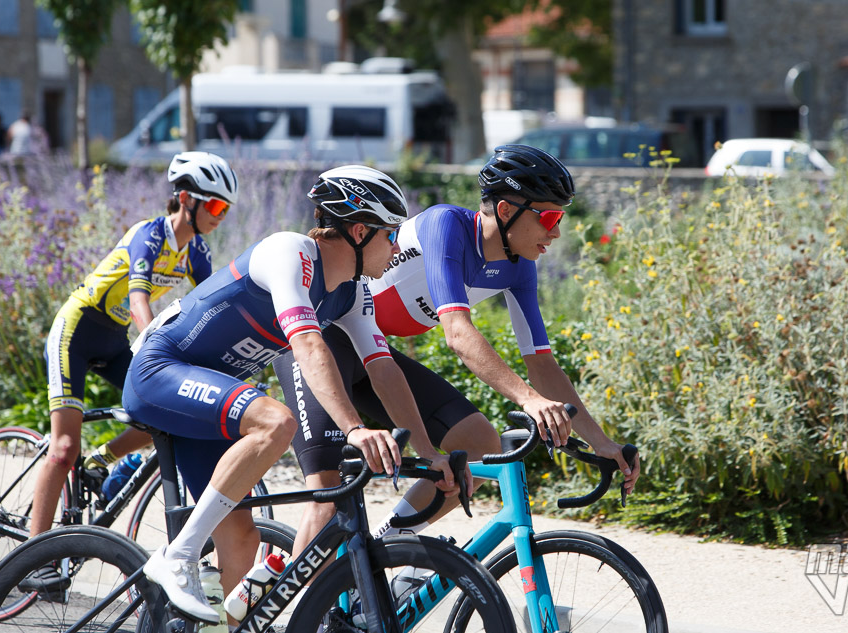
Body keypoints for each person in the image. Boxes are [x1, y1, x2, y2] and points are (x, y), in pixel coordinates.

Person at [122, 166, 458, 624]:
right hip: (161, 370)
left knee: (242, 540)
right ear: (359, 231)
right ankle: (177, 555)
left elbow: (383, 369)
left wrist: (427, 451)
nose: (397, 246)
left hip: (211, 399)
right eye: (390, 234)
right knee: (276, 421)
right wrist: (355, 429)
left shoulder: (352, 290)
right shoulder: (289, 252)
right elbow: (306, 345)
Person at [273, 144, 640, 557]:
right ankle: (290, 612)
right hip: (319, 343)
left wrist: (600, 441)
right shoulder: (445, 225)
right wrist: (530, 401)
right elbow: (458, 334)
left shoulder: (519, 268)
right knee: (325, 496)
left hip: (372, 352)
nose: (556, 232)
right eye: (550, 217)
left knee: (480, 443)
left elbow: (542, 362)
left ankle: (388, 544)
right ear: (505, 211)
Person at [20, 152, 238, 592]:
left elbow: (214, 305)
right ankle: (32, 557)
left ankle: (102, 460)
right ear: (185, 199)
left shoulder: (195, 251)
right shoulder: (149, 234)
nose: (220, 216)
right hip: (77, 331)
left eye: (225, 209)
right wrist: (153, 344)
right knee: (63, 449)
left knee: (164, 411)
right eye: (214, 207)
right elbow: (139, 299)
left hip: (113, 340)